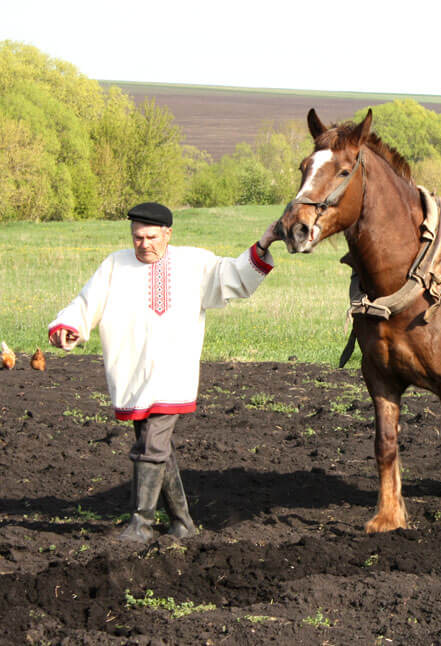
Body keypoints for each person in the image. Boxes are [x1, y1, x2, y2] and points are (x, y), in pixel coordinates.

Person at [49, 202, 282, 542]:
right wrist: (68, 326)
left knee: (151, 447)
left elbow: (234, 277)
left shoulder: (194, 263)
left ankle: (140, 525)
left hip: (174, 372)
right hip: (131, 372)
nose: (144, 244)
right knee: (157, 448)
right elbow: (88, 301)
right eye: (137, 237)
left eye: (151, 237)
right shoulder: (115, 264)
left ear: (168, 234)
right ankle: (183, 524)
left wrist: (263, 244)